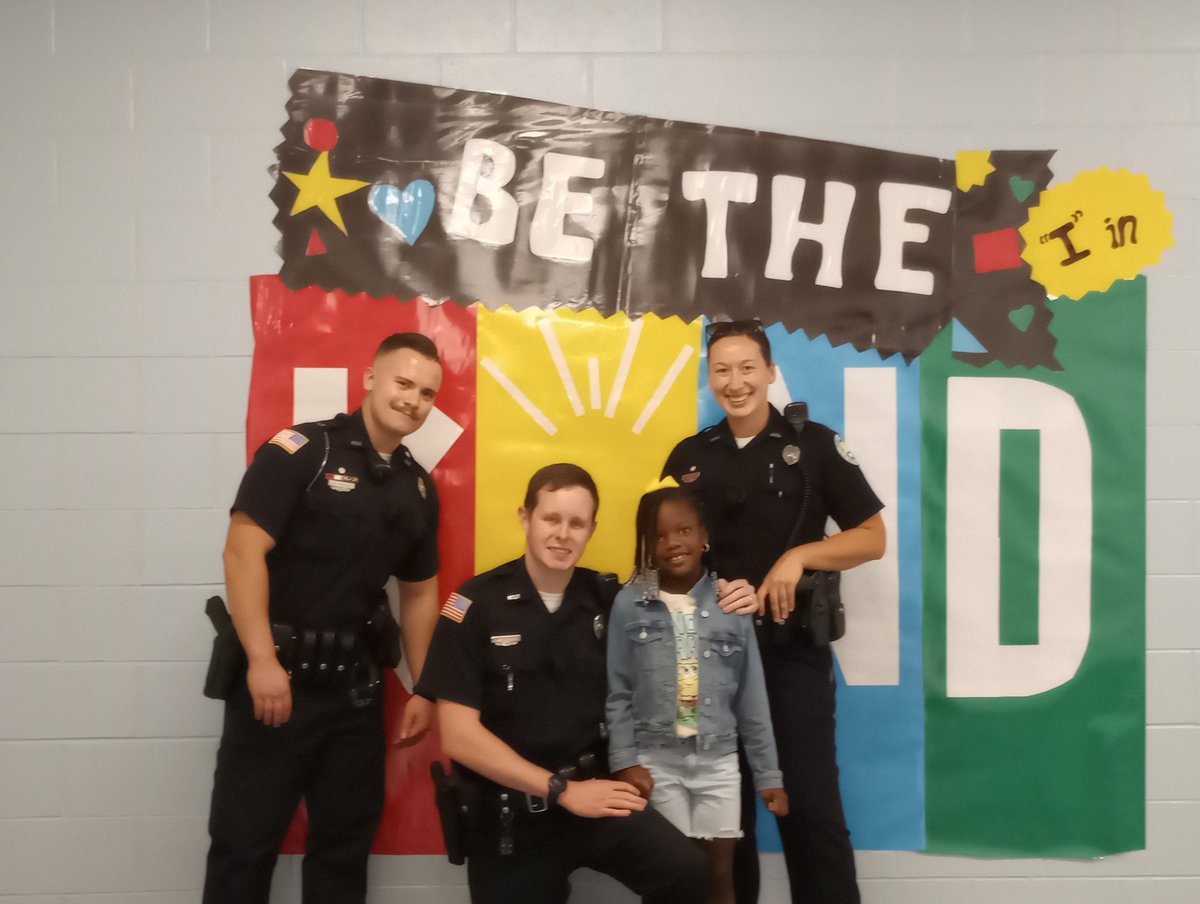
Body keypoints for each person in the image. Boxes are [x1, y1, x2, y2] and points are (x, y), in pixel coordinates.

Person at [202, 332, 445, 904]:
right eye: (403, 383)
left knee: (343, 850)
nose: (412, 399)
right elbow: (242, 551)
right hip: (274, 685)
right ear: (370, 378)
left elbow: (419, 595)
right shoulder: (304, 452)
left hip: (355, 698)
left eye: (427, 392)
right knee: (244, 846)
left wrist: (424, 687)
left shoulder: (417, 488)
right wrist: (261, 660)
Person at [663, 320, 886, 904]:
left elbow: (871, 537)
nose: (735, 383)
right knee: (720, 822)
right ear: (709, 378)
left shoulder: (813, 445)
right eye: (721, 370)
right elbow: (665, 555)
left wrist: (799, 557)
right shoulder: (689, 457)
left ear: (769, 372)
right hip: (707, 665)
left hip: (791, 661)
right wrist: (708, 592)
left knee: (811, 813)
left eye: (746, 368)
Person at [416, 463, 708, 904]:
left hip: (596, 796)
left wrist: (727, 592)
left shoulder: (609, 599)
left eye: (577, 523)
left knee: (688, 874)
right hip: (513, 816)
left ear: (592, 529)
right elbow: (459, 737)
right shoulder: (475, 603)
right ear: (525, 517)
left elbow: (682, 616)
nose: (563, 534)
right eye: (551, 518)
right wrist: (562, 791)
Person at [607, 481, 789, 904]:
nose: (672, 542)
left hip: (718, 763)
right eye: (659, 534)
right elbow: (618, 692)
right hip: (657, 761)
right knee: (674, 873)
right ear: (647, 544)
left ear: (705, 536)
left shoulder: (731, 607)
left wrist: (769, 774)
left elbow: (752, 699)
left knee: (719, 873)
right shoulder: (628, 605)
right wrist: (624, 760)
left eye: (684, 530)